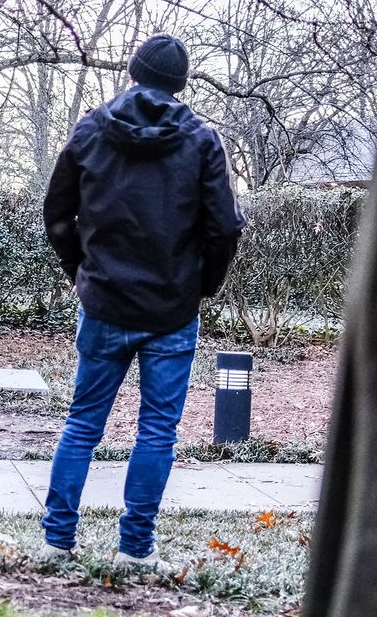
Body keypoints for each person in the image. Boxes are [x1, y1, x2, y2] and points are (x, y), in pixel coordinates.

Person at [40, 33, 245, 567]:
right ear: (181, 85)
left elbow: (56, 213)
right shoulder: (201, 140)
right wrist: (202, 286)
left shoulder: (90, 130)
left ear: (133, 75)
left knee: (83, 422)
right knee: (158, 429)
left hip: (105, 302)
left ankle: (57, 538)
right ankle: (136, 548)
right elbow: (225, 227)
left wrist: (80, 273)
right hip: (172, 311)